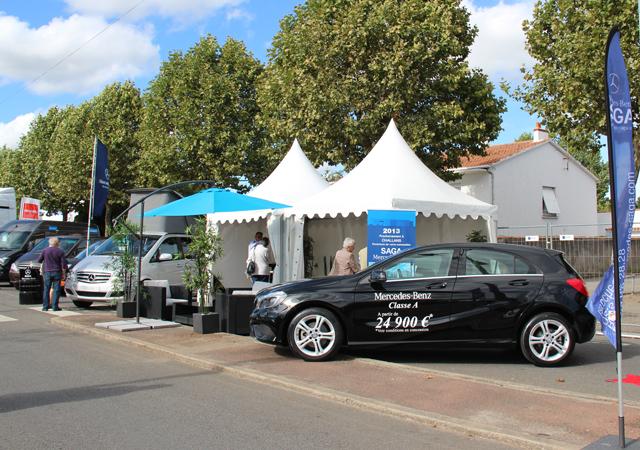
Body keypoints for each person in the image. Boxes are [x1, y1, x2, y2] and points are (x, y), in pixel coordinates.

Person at [37, 237, 68, 311]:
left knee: (46, 289)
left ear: (49, 243)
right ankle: (55, 306)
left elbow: (39, 260)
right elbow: (63, 264)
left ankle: (45, 306)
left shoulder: (45, 251)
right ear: (57, 243)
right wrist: (64, 273)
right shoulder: (60, 251)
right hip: (57, 272)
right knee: (56, 290)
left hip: (47, 272)